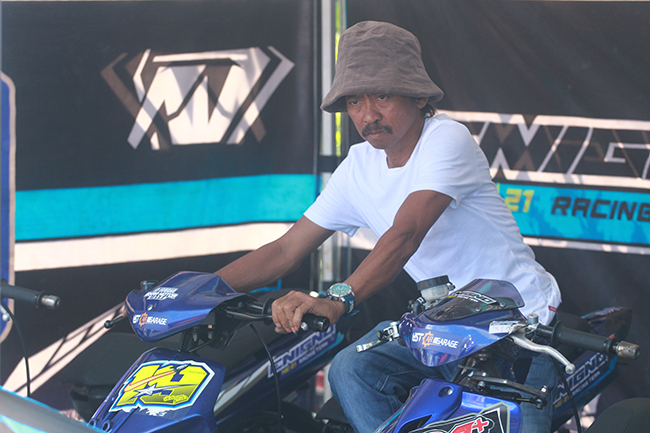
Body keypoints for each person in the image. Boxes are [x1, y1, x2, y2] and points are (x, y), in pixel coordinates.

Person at [215, 21, 562, 433]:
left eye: (382, 96)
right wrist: (197, 293)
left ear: (419, 96)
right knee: (352, 369)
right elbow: (284, 250)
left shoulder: (446, 138)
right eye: (355, 101)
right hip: (445, 332)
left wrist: (339, 298)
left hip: (519, 326)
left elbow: (406, 233)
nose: (368, 115)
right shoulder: (358, 166)